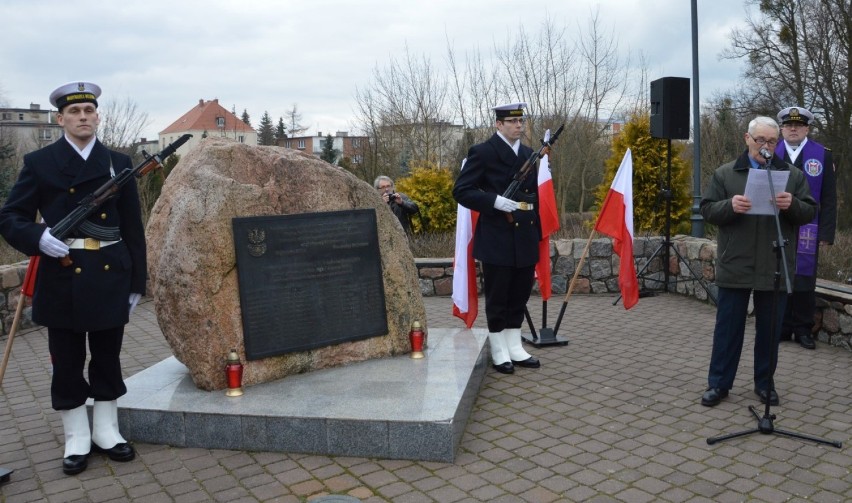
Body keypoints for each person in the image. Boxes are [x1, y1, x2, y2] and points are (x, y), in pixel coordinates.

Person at [0, 82, 146, 475]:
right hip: (60, 276)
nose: (83, 117)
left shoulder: (119, 162)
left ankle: (107, 430)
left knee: (107, 357)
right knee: (66, 362)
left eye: (89, 110)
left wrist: (137, 282)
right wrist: (39, 238)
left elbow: (133, 228)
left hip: (110, 274)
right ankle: (77, 437)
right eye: (75, 112)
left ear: (97, 117)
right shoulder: (40, 162)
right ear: (61, 119)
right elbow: (10, 216)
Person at [699, 116, 816, 407]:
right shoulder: (726, 174)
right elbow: (707, 209)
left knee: (769, 331)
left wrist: (793, 205)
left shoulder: (792, 175)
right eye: (760, 140)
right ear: (747, 139)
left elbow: (809, 212)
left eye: (771, 141)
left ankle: (764, 384)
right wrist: (730, 205)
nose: (765, 146)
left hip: (774, 264)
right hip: (735, 262)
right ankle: (719, 384)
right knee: (728, 329)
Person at [452, 102, 541, 375]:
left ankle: (514, 344)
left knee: (519, 294)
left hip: (524, 234)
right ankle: (498, 347)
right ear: (498, 124)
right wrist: (494, 201)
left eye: (521, 121)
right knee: (498, 295)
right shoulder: (483, 152)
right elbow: (462, 190)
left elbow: (533, 196)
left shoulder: (528, 154)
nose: (519, 126)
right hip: (497, 237)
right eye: (512, 122)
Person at [775, 107, 837, 349]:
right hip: (777, 225)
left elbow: (830, 199)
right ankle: (782, 327)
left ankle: (802, 329)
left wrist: (826, 233)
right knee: (780, 276)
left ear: (807, 129)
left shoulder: (822, 155)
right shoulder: (771, 152)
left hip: (808, 227)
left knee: (804, 279)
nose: (793, 129)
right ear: (781, 129)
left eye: (798, 125)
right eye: (789, 125)